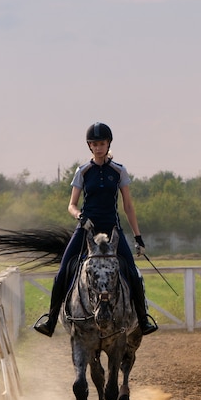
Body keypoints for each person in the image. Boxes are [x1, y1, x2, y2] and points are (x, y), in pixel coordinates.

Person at [34, 122, 158, 337]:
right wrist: (80, 216)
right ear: (89, 146)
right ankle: (51, 319)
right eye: (94, 144)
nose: (98, 147)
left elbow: (128, 206)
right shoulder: (83, 171)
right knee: (63, 271)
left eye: (102, 143)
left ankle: (143, 319)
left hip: (113, 231)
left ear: (108, 143)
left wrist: (138, 237)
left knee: (132, 273)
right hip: (85, 230)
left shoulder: (119, 171)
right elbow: (71, 205)